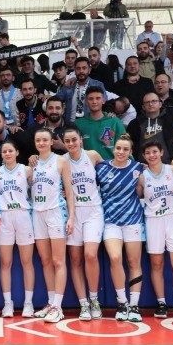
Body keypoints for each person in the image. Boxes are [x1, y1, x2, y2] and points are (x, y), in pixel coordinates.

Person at [138, 140, 173, 319]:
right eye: (148, 153)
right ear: (144, 156)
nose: (151, 155)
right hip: (153, 220)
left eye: (154, 151)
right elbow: (136, 195)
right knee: (156, 264)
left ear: (161, 152)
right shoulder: (142, 177)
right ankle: (161, 303)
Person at [96, 134, 145, 322]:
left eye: (125, 149)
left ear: (131, 152)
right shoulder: (102, 168)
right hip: (111, 221)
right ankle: (122, 302)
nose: (121, 152)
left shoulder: (138, 168)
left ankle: (134, 305)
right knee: (115, 258)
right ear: (113, 149)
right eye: (118, 148)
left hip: (133, 220)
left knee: (134, 262)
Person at [30, 129, 75, 323]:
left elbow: (70, 192)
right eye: (38, 140)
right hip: (37, 213)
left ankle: (58, 306)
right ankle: (50, 302)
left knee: (58, 261)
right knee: (45, 261)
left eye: (44, 140)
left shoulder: (61, 161)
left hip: (56, 212)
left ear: (51, 142)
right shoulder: (32, 163)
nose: (41, 143)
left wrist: (71, 217)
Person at [62, 126, 105, 321]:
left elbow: (109, 174)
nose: (71, 143)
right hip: (73, 212)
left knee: (90, 254)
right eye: (67, 141)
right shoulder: (61, 161)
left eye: (74, 139)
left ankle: (94, 299)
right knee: (75, 259)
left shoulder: (93, 155)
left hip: (93, 211)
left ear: (81, 139)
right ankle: (83, 304)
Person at [0, 139, 35, 318]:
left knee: (27, 262)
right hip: (4, 216)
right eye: (4, 151)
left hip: (23, 215)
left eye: (10, 150)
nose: (7, 154)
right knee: (5, 263)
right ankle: (7, 304)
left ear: (17, 152)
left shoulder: (26, 170)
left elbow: (36, 190)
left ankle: (28, 303)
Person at [74, 86, 125, 160]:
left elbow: (125, 147)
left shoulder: (115, 122)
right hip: (88, 166)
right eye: (91, 99)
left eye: (98, 98)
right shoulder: (78, 124)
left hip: (111, 166)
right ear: (86, 102)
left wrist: (133, 164)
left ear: (103, 101)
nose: (94, 102)